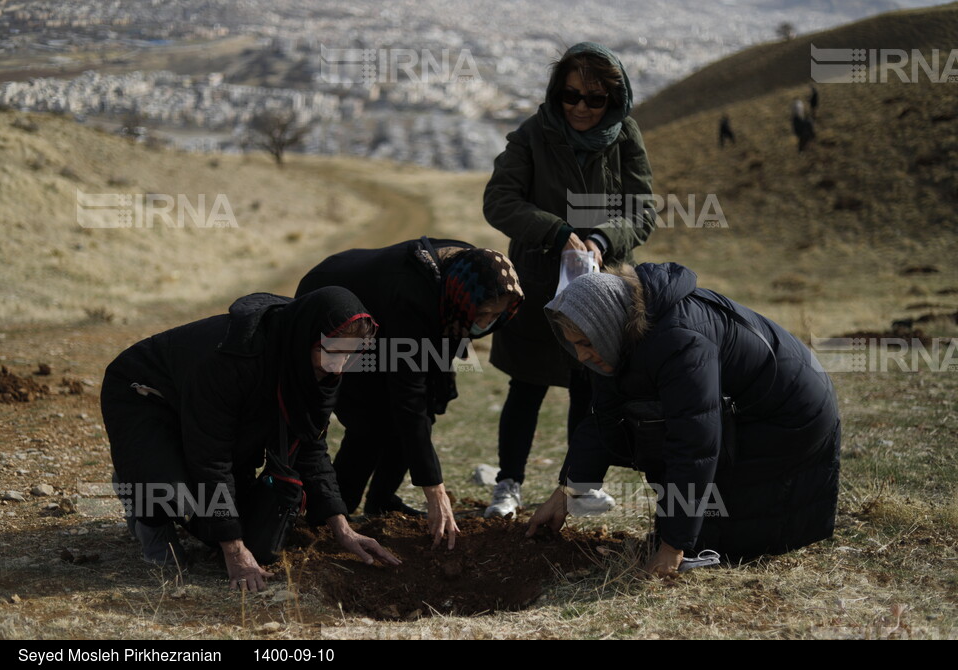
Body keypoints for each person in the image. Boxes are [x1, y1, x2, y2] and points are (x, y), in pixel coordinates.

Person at [528, 264, 841, 577]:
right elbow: (603, 419)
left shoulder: (679, 340)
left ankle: (709, 546)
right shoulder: (619, 338)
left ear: (605, 327)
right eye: (575, 345)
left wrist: (673, 548)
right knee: (660, 456)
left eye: (585, 343)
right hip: (744, 408)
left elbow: (695, 445)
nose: (581, 356)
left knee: (718, 540)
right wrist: (566, 494)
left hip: (789, 414)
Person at [101, 288, 400, 591]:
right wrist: (234, 550)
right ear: (308, 336)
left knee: (254, 539)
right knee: (175, 489)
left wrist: (342, 528)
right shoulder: (233, 358)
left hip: (213, 415)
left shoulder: (319, 367)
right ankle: (146, 503)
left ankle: (166, 483)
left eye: (349, 354)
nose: (339, 365)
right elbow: (211, 457)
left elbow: (311, 446)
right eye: (332, 351)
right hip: (148, 397)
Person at [482, 42, 656, 517]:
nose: (581, 107)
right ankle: (508, 485)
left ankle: (576, 486)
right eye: (570, 96)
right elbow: (499, 201)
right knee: (527, 385)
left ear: (614, 101)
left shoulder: (625, 137)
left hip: (601, 285)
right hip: (538, 282)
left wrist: (601, 238)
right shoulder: (532, 134)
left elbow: (643, 210)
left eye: (594, 99)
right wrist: (556, 232)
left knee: (590, 383)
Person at [296, 238, 523, 549]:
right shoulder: (413, 295)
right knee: (370, 421)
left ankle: (382, 500)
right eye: (482, 313)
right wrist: (435, 489)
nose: (485, 322)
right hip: (344, 312)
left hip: (402, 320)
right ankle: (333, 512)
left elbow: (425, 390)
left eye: (494, 315)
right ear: (462, 298)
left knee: (429, 402)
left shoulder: (477, 273)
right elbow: (408, 396)